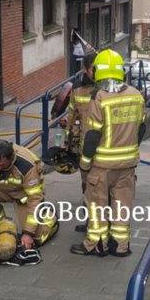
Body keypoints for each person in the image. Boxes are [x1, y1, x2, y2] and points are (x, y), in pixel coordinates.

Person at [70, 49, 146, 257]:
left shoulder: (99, 97)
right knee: (122, 205)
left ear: (97, 71)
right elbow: (141, 129)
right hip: (127, 165)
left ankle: (95, 244)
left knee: (97, 206)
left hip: (102, 166)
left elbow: (93, 135)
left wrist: (85, 163)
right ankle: (120, 246)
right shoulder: (136, 95)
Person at [65, 51, 97, 231]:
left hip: (106, 148)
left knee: (103, 188)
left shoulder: (110, 87)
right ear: (85, 70)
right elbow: (72, 115)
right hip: (86, 148)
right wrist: (69, 143)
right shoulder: (77, 88)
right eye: (94, 69)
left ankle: (102, 224)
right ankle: (89, 222)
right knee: (86, 185)